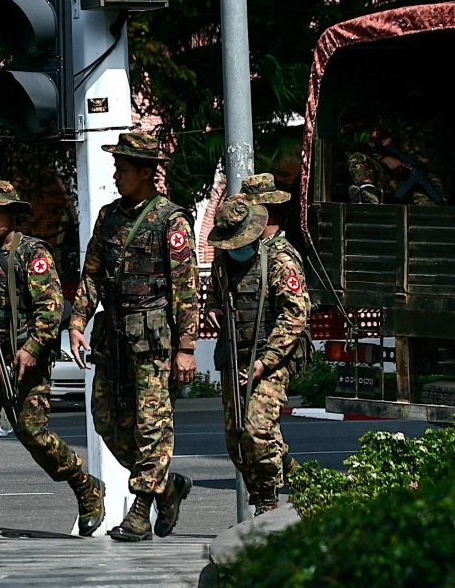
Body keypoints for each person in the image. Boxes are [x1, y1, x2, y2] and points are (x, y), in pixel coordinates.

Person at [0, 181, 105, 536]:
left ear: (13, 214)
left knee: (32, 432)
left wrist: (31, 348)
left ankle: (85, 486)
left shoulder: (32, 253)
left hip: (23, 358)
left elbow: (52, 308)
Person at [68, 132, 200, 542]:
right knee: (106, 419)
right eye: (116, 167)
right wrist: (76, 323)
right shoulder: (108, 217)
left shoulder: (170, 220)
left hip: (155, 342)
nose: (116, 175)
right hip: (114, 339)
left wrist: (186, 348)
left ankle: (140, 510)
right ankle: (167, 485)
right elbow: (91, 276)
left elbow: (187, 287)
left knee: (152, 425)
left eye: (123, 169)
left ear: (146, 173)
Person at [203, 196, 311, 516]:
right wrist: (212, 308)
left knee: (257, 431)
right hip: (235, 356)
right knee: (236, 438)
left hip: (270, 357)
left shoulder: (281, 260)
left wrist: (265, 363)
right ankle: (301, 478)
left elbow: (295, 315)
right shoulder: (224, 260)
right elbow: (215, 292)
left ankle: (266, 504)